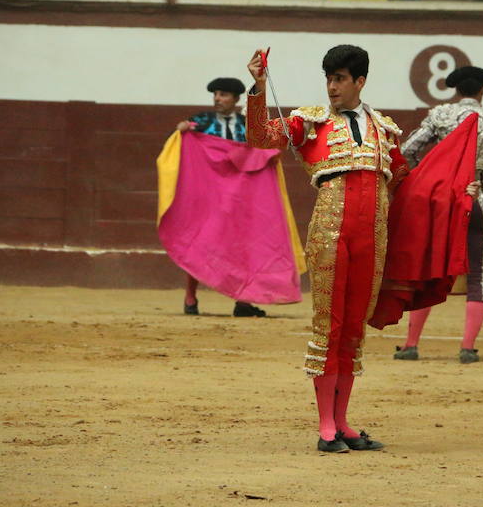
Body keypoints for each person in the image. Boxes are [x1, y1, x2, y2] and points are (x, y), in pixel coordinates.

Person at [246, 44, 409, 452]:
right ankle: (325, 427)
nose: (332, 87)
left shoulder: (384, 129)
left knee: (354, 328)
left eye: (339, 79)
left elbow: (404, 180)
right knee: (330, 325)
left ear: (360, 81)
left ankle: (343, 421)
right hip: (331, 233)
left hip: (373, 235)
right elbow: (261, 139)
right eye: (328, 79)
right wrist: (259, 87)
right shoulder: (310, 121)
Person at [394, 66, 483, 364]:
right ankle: (467, 348)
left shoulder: (441, 116)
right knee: (479, 274)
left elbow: (409, 150)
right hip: (482, 200)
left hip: (444, 202)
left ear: (456, 91)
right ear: (482, 92)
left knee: (429, 270)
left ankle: (411, 345)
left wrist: (430, 176)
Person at [174, 77, 267, 318]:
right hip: (210, 195)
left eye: (223, 94)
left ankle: (243, 301)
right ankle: (190, 296)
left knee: (243, 246)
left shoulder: (247, 124)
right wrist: (181, 130)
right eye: (215, 94)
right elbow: (182, 139)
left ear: (236, 99)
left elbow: (263, 145)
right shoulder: (202, 121)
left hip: (239, 196)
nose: (217, 98)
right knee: (201, 242)